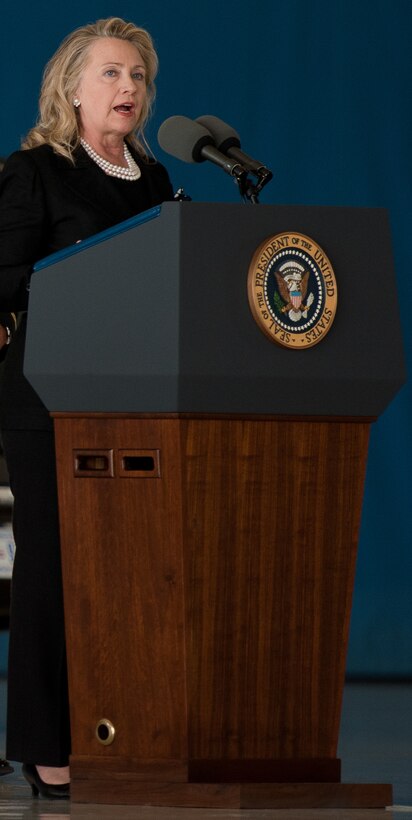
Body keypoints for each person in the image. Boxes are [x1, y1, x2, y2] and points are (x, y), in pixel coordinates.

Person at [0, 17, 173, 799]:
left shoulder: (161, 183)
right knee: (53, 564)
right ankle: (45, 745)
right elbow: (6, 282)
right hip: (47, 397)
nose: (127, 88)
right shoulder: (34, 171)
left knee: (125, 570)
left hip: (136, 402)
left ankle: (120, 726)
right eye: (110, 73)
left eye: (137, 76)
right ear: (70, 88)